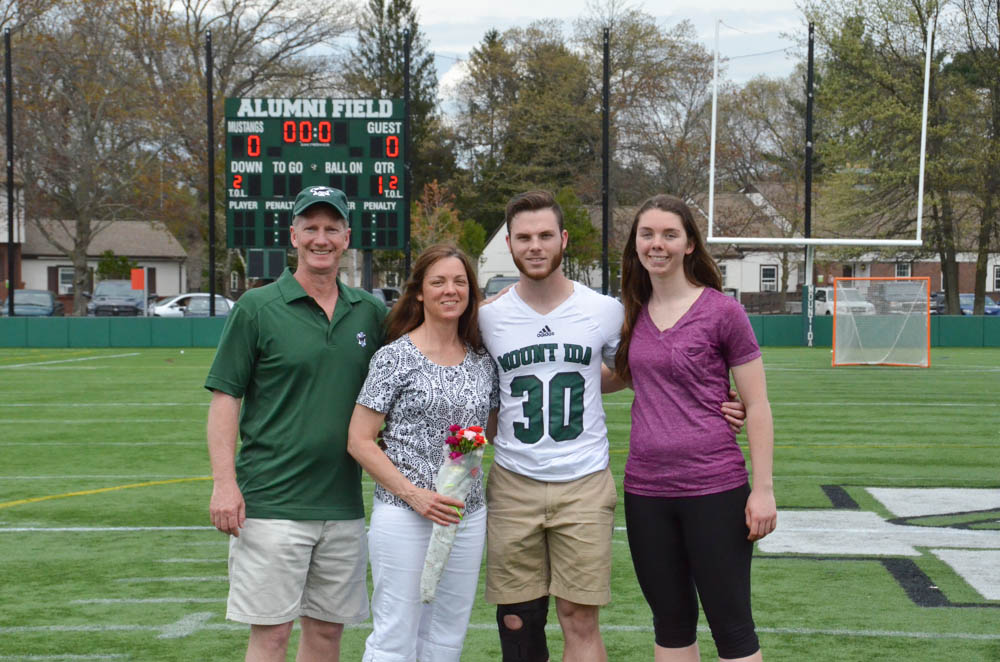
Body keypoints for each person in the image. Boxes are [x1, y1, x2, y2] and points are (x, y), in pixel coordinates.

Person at [478, 191, 747, 662]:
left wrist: (713, 402)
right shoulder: (486, 317)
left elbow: (639, 365)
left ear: (562, 239)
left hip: (582, 480)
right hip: (513, 480)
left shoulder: (605, 310)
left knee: (579, 618)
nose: (535, 246)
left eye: (545, 235)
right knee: (517, 621)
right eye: (524, 237)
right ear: (509, 242)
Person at [205, 185, 387, 662]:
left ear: (347, 237)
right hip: (271, 504)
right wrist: (225, 484)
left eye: (331, 228)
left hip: (343, 505)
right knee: (272, 637)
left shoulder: (369, 310)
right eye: (310, 228)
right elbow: (226, 398)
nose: (320, 238)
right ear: (293, 235)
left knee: (327, 636)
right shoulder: (257, 306)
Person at [613, 194, 776, 662]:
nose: (656, 244)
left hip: (714, 487)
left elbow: (757, 405)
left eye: (669, 234)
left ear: (689, 245)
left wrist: (762, 490)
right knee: (671, 623)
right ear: (635, 243)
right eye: (647, 234)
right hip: (646, 492)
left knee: (732, 626)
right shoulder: (631, 311)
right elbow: (615, 377)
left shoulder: (722, 312)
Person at [347, 244, 499, 662]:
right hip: (404, 512)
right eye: (438, 282)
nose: (450, 290)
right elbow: (360, 440)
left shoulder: (482, 361)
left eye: (459, 281)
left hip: (464, 515)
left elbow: (479, 434)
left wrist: (457, 484)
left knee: (446, 637)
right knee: (395, 635)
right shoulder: (394, 358)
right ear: (419, 292)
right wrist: (417, 495)